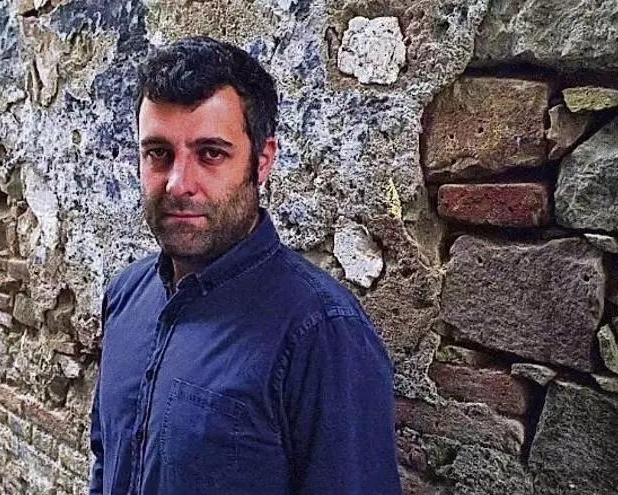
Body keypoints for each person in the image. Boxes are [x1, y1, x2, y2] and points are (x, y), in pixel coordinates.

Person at [88, 36, 400, 495]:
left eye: (210, 153)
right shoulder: (125, 296)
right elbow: (106, 462)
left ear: (262, 161)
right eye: (158, 153)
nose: (178, 183)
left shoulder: (321, 333)